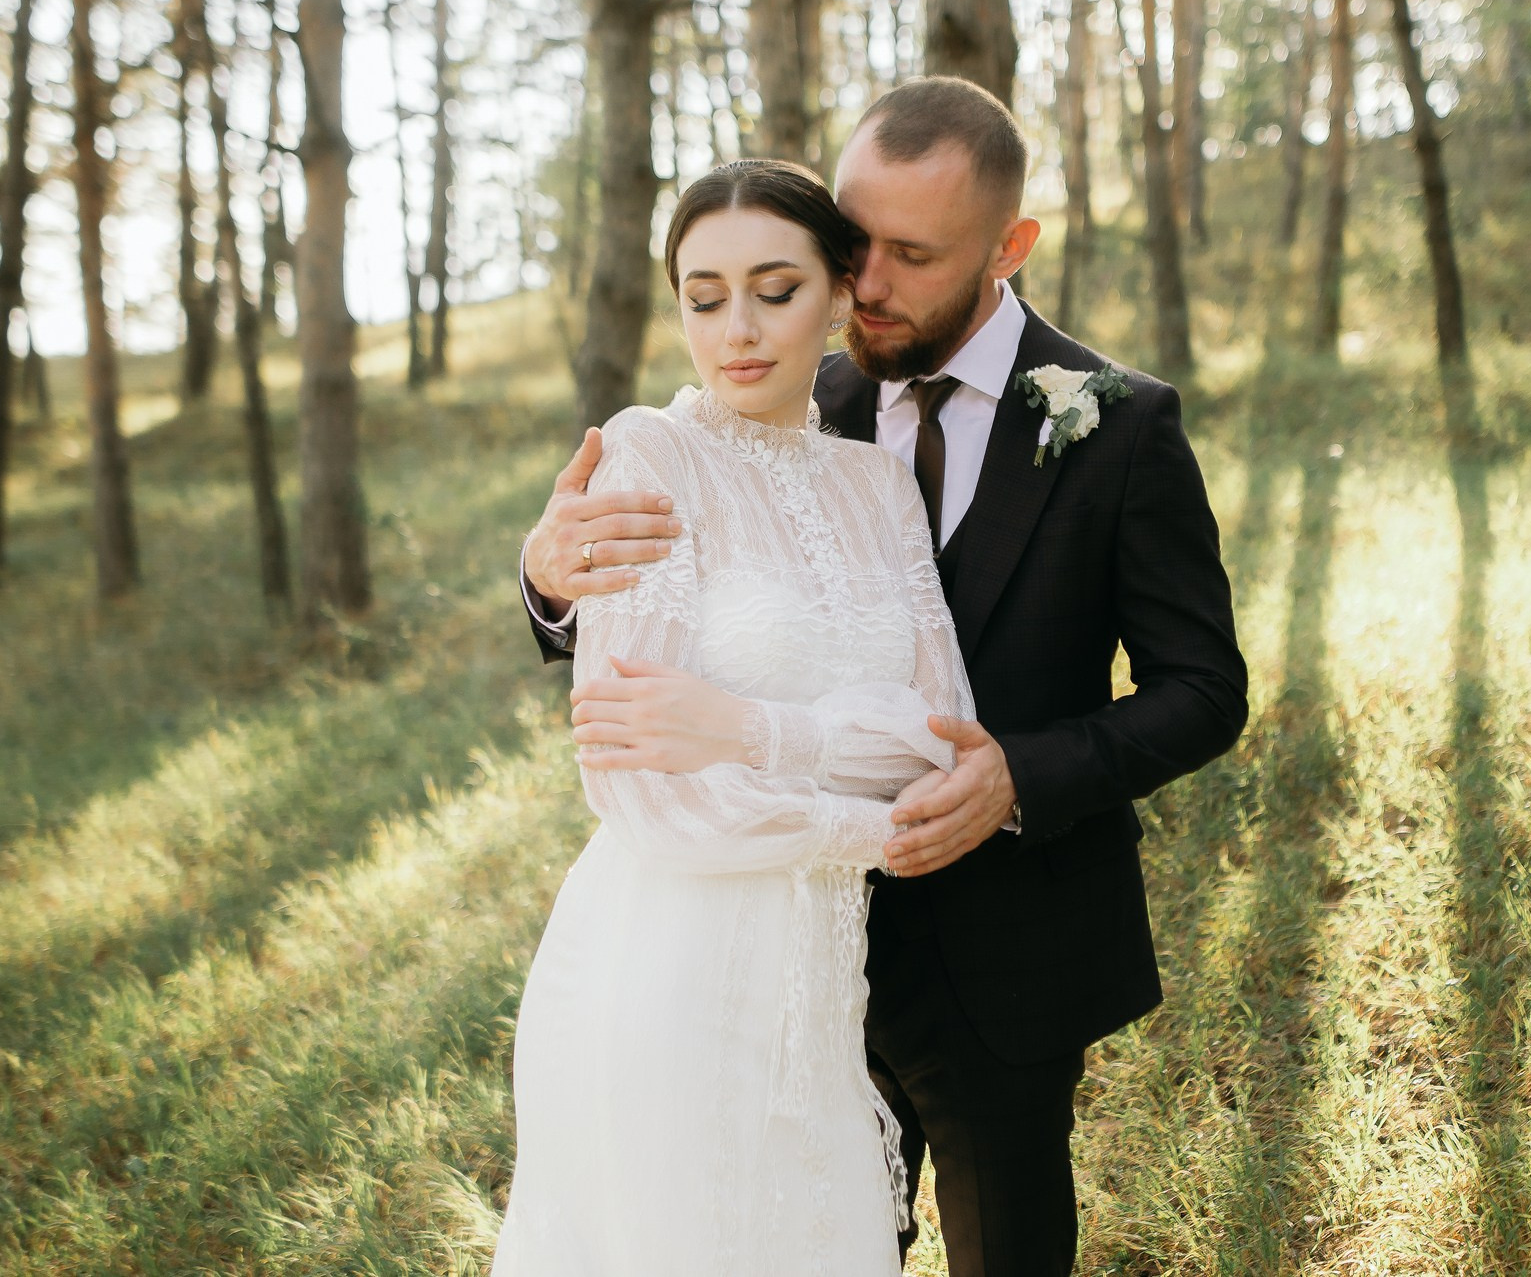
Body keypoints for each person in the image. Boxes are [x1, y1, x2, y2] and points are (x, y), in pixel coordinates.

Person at [519, 78, 1248, 1276]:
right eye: (853, 244)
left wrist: (1018, 770)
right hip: (779, 944)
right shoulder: (804, 378)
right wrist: (548, 578)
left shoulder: (1116, 426)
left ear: (1007, 248)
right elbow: (658, 611)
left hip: (1005, 945)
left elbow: (1202, 687)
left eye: (910, 254)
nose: (866, 283)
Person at [489, 159, 974, 1274]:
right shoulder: (650, 454)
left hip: (818, 995)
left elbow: (942, 734)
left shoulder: (876, 485)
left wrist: (746, 731)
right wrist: (884, 830)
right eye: (703, 298)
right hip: (660, 978)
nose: (737, 329)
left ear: (841, 294)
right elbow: (646, 789)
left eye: (774, 289)